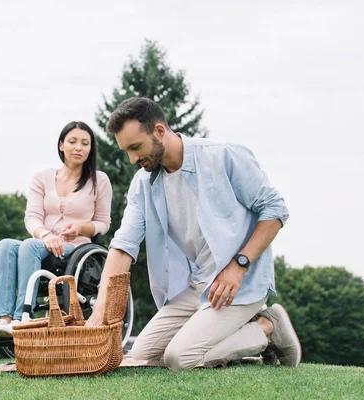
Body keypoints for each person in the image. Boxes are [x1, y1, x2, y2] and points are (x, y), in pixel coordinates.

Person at [86, 97, 301, 369]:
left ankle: (266, 327)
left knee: (178, 358)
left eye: (136, 147)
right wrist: (100, 311)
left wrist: (239, 266)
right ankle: (236, 326)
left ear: (160, 131)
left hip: (242, 284)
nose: (132, 159)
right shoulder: (143, 184)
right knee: (142, 355)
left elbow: (275, 210)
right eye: (126, 150)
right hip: (199, 284)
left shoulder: (222, 156)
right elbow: (123, 246)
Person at [0, 121, 112, 340]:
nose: (79, 147)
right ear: (61, 145)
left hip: (76, 249)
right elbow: (32, 217)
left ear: (91, 149)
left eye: (85, 143)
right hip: (43, 243)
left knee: (29, 246)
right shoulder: (42, 178)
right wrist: (46, 235)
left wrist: (79, 227)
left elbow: (103, 222)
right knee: (6, 245)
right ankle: (3, 319)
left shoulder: (100, 180)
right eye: (73, 141)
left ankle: (23, 317)